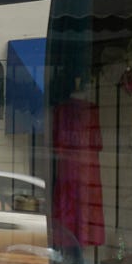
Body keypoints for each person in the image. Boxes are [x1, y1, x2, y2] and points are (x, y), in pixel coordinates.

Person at [52, 76, 105, 249]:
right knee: (83, 203)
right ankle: (77, 243)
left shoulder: (62, 110)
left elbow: (58, 145)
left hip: (71, 168)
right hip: (85, 168)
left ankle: (72, 244)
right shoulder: (89, 110)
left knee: (71, 203)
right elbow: (97, 144)